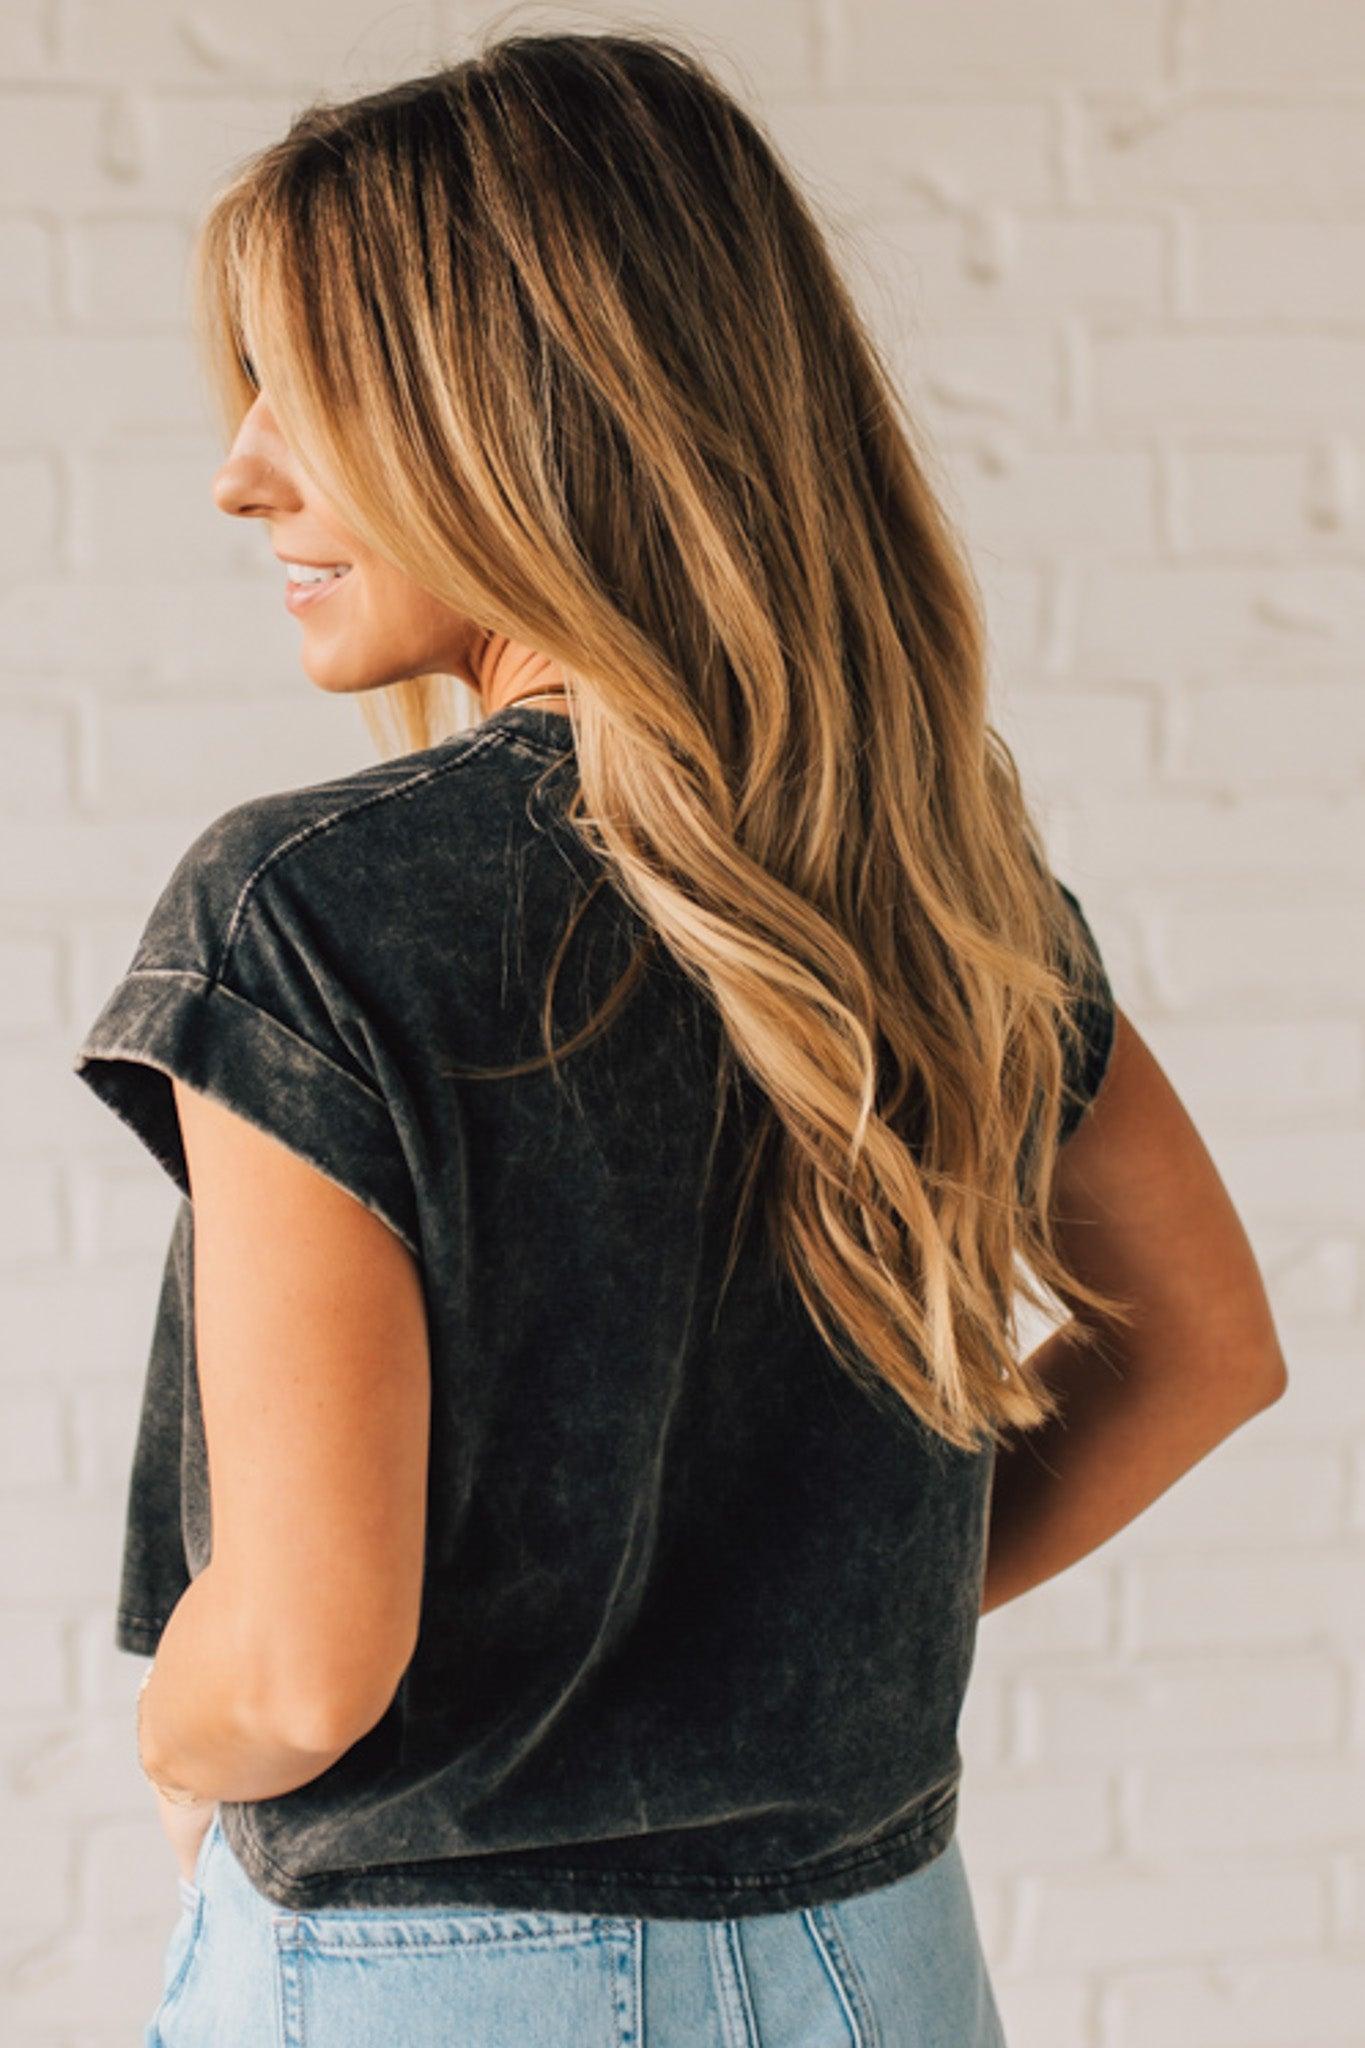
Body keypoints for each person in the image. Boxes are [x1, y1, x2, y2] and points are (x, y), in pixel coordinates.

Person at [70, 29, 1287, 2048]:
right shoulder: (922, 883)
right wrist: (791, 1653)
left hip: (426, 1981)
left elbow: (295, 1670)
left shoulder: (308, 911)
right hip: (874, 1955)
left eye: (310, 385)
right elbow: (1205, 1343)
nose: (240, 466)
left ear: (527, 411)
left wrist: (167, 1724)